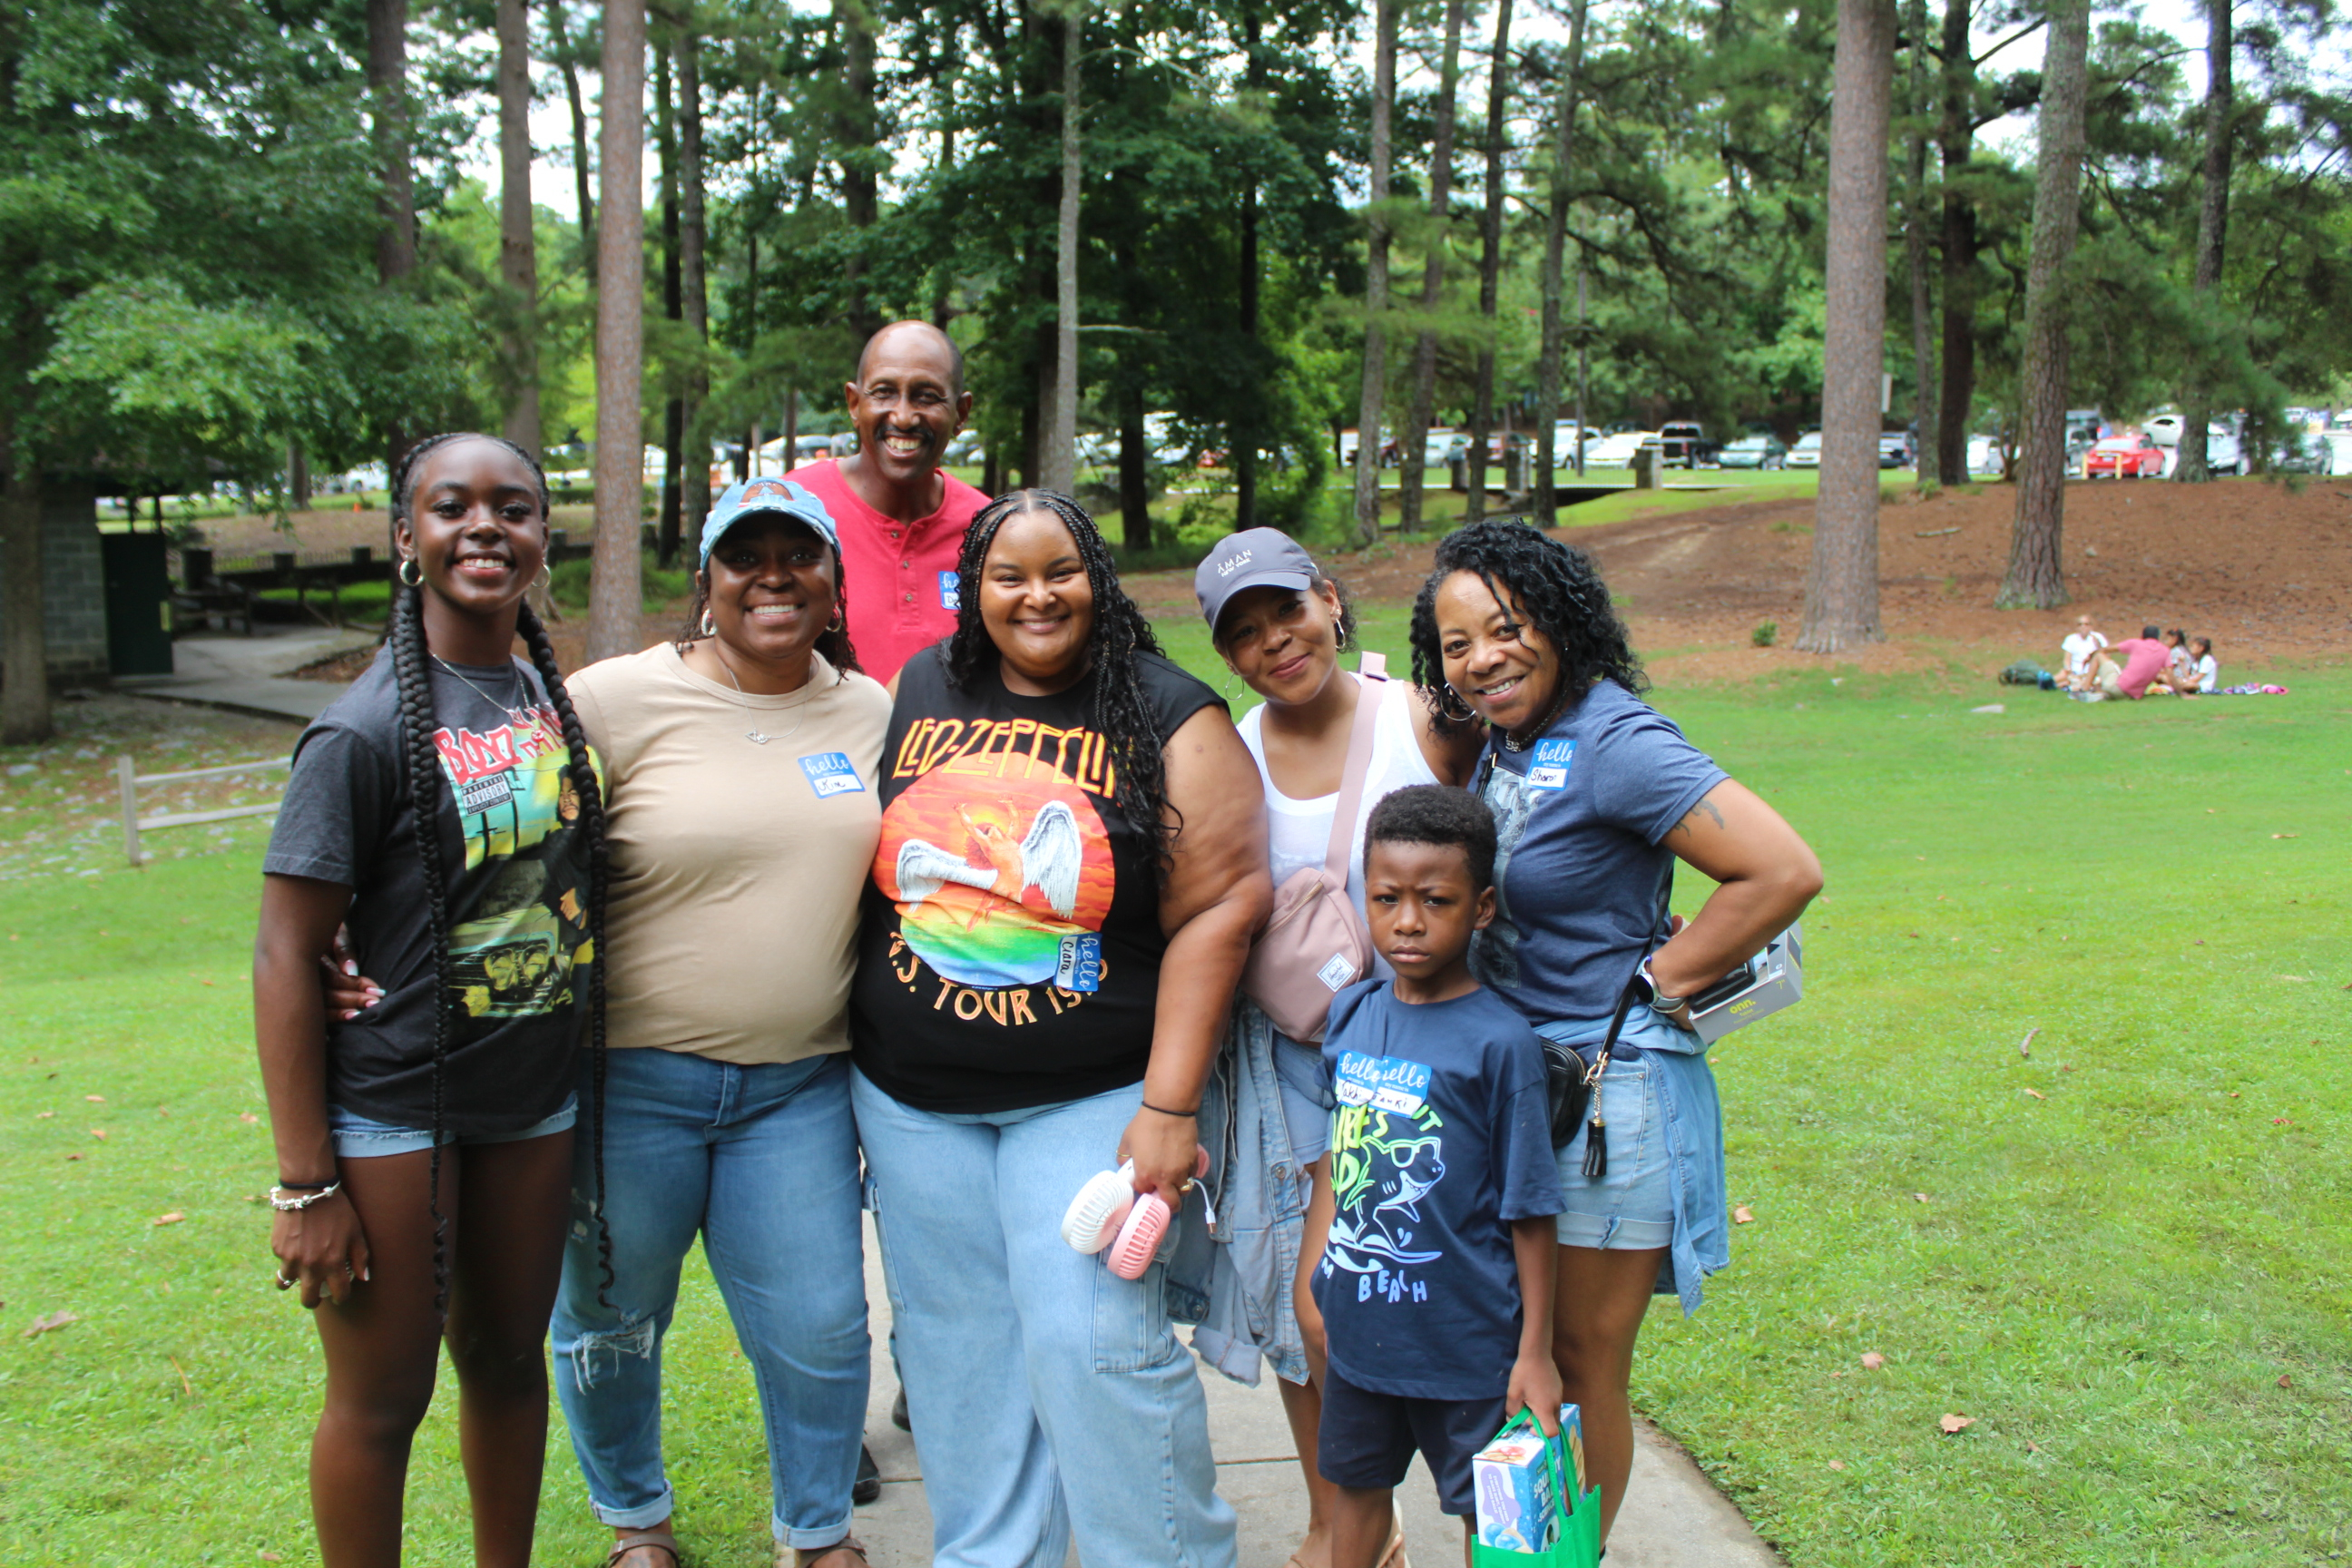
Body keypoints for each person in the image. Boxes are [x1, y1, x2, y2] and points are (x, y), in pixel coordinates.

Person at [849, 489, 1270, 1568]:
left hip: (1091, 1098)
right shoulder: (925, 685)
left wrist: (1170, 1105)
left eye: (1060, 572)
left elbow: (1223, 907)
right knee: (956, 1355)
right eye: (1008, 576)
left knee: (1097, 1351)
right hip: (913, 1103)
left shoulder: (1174, 713)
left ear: (1099, 580)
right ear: (973, 590)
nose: (1037, 596)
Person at [1408, 519, 1821, 1550]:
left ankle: (1554, 1558)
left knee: (1584, 1370)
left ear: (1560, 619)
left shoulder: (1616, 738)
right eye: (1458, 644)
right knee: (1521, 1352)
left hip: (1607, 1100)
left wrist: (1656, 980)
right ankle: (1523, 1553)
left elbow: (1780, 869)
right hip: (1522, 1088)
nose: (1484, 658)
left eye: (1506, 627)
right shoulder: (1505, 740)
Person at [253, 433, 603, 1566]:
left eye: (515, 506)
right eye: (452, 508)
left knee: (508, 1365)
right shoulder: (357, 730)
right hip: (395, 1109)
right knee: (382, 1398)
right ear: (408, 538)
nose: (486, 528)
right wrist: (306, 1181)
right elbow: (283, 954)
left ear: (544, 535)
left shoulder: (547, 700)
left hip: (531, 1101)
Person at [549, 479, 889, 1568]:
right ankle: (635, 1523)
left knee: (824, 1327)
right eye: (748, 557)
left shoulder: (873, 713)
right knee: (611, 1316)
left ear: (837, 585)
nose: (775, 576)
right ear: (706, 581)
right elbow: (502, 844)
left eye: (803, 555)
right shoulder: (611, 700)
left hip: (797, 1089)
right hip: (629, 1084)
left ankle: (817, 1533)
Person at [1191, 527, 1483, 1568]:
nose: (1277, 643)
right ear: (1228, 654)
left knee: (1432, 1281)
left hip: (1430, 1062)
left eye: (1288, 613)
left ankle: (1460, 1517)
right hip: (1296, 1065)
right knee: (1304, 1299)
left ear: (1328, 599)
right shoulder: (1228, 746)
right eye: (1247, 634)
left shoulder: (1422, 715)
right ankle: (1344, 1525)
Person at [1301, 787, 1563, 1568]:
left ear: (1480, 908)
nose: (1407, 921)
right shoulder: (1351, 1017)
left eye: (1435, 900)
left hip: (1467, 1348)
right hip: (1359, 1338)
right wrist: (1313, 1278)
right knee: (1354, 1491)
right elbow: (1337, 1155)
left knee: (1494, 1523)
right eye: (1387, 899)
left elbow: (1531, 1208)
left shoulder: (1501, 1045)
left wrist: (1535, 1354)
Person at [787, 320, 988, 683]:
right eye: (883, 393)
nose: (904, 416)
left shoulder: (990, 529)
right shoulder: (792, 510)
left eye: (927, 396)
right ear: (854, 403)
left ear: (961, 414)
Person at [2093, 624, 2173, 700]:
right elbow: (2170, 674)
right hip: (2133, 695)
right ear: (2157, 637)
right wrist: (2180, 692)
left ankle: (2084, 689)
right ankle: (2101, 693)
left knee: (2099, 655)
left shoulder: (2135, 643)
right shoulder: (2165, 650)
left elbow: (2106, 650)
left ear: (2142, 636)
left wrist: (2091, 655)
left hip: (2119, 687)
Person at [2057, 615, 2108, 691]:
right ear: (2077, 627)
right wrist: (2069, 669)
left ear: (2091, 626)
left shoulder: (2098, 638)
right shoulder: (2071, 639)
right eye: (2080, 624)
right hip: (2074, 672)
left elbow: (2105, 656)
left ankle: (2070, 685)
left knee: (2098, 680)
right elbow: (2067, 660)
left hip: (2091, 673)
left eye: (2086, 624)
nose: (2083, 627)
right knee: (2061, 675)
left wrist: (2098, 645)